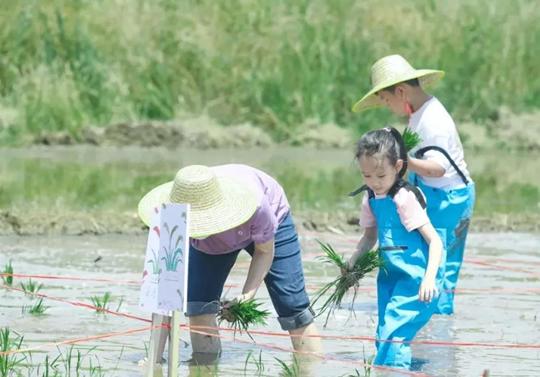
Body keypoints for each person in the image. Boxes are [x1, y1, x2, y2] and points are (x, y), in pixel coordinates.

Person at [137, 163, 321, 365]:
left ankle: (310, 368)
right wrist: (154, 358)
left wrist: (246, 296)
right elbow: (166, 295)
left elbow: (264, 251)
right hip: (210, 245)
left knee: (293, 306)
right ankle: (205, 367)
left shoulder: (257, 206)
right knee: (199, 305)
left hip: (267, 224)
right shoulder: (172, 218)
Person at [352, 54, 475, 315]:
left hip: (449, 197)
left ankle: (437, 327)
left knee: (440, 263)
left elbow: (440, 168)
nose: (386, 105)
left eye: (386, 99)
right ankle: (424, 315)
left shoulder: (434, 121)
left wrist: (403, 160)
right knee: (426, 256)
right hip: (431, 191)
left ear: (401, 92)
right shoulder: (418, 112)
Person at [346, 127, 445, 369]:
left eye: (381, 176)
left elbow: (435, 241)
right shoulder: (370, 198)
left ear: (398, 166)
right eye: (367, 176)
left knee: (394, 335)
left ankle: (393, 371)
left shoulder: (404, 198)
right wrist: (351, 263)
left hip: (417, 280)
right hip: (389, 278)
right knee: (383, 337)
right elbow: (369, 237)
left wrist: (429, 279)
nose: (374, 183)